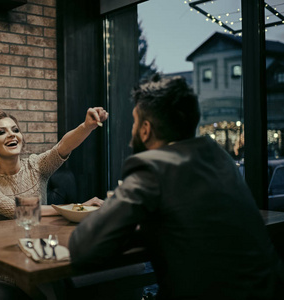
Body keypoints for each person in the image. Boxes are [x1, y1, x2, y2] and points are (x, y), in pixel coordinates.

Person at [69, 75, 284, 300]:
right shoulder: (219, 158)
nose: (132, 132)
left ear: (145, 129)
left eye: (134, 122)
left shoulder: (152, 168)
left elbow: (83, 247)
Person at [0, 108, 107, 221]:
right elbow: (17, 210)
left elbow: (63, 146)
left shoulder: (35, 166)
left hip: (41, 240)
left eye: (15, 130)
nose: (12, 135)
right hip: (1, 247)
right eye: (1, 132)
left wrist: (86, 126)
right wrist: (77, 208)